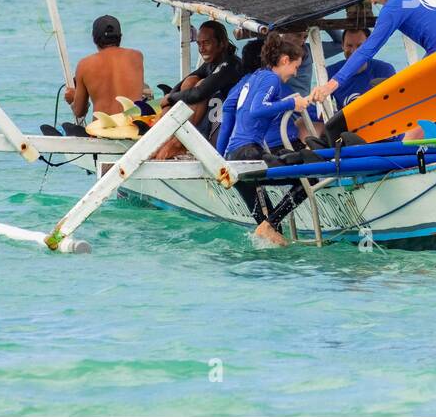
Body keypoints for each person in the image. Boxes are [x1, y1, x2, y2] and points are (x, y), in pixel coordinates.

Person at [308, 0, 436, 105]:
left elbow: (367, 49)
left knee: (406, 103)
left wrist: (330, 86)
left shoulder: (393, 7)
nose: (373, 3)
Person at [224, 33, 312, 246]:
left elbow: (229, 107)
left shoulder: (255, 76)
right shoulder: (272, 78)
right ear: (285, 60)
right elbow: (257, 109)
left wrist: (220, 157)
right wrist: (291, 104)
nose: (295, 73)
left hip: (233, 157)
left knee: (272, 236)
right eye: (295, 67)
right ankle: (269, 225)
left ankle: (269, 230)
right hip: (248, 154)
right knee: (310, 177)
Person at [152, 19, 243, 159]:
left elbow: (199, 94)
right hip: (206, 121)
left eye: (206, 43)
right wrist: (168, 101)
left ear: (222, 43)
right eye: (199, 44)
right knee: (191, 81)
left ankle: (178, 144)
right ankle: (163, 137)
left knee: (200, 85)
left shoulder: (230, 65)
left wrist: (170, 98)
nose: (201, 49)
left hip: (223, 124)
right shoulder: (212, 63)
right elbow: (184, 82)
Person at [66, 15, 146, 121]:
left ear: (94, 39)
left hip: (103, 128)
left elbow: (79, 111)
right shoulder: (137, 56)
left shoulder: (84, 65)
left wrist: (73, 99)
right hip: (133, 126)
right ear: (120, 37)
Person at [323, 27, 394, 106]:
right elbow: (318, 107)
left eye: (359, 46)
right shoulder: (330, 72)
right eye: (349, 45)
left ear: (369, 46)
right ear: (343, 46)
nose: (354, 51)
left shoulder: (384, 71)